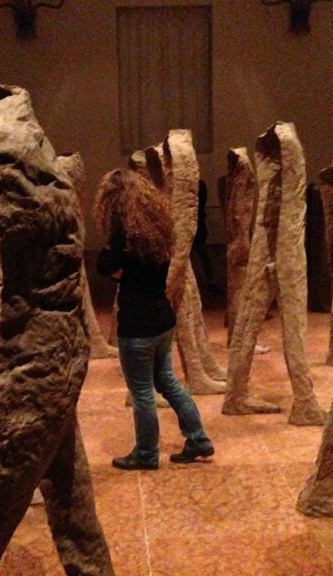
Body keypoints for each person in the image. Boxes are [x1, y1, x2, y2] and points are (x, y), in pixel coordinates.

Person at [94, 168, 215, 470]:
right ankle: (198, 438)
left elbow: (103, 264)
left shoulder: (123, 239)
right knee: (168, 382)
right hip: (163, 320)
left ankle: (146, 454)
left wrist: (118, 270)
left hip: (137, 326)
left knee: (142, 392)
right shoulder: (158, 233)